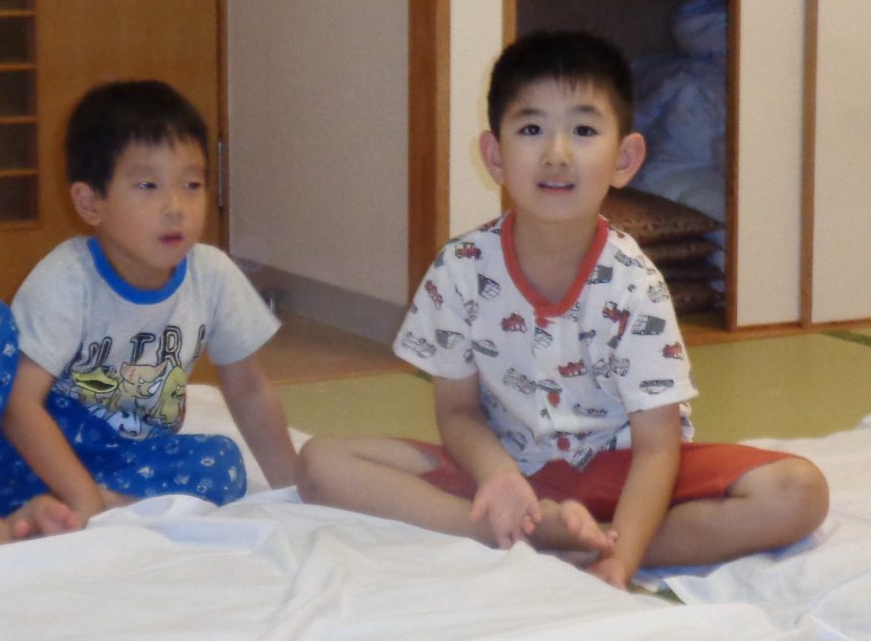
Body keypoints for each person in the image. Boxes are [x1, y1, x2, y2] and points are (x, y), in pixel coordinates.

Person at [296, 31, 828, 588]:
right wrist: (499, 478)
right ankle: (520, 530)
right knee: (320, 463)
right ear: (494, 156)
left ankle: (594, 537)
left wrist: (621, 559)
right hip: (507, 467)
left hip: (622, 474)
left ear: (625, 159)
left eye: (583, 131)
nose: (556, 154)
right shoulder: (460, 268)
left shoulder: (635, 283)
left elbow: (657, 447)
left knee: (797, 492)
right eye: (531, 130)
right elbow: (457, 411)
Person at [0, 80, 299, 550]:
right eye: (147, 186)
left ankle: (64, 513)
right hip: (24, 457)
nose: (176, 208)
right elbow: (20, 407)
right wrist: (79, 492)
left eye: (192, 185)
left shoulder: (212, 275)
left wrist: (293, 489)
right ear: (90, 203)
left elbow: (248, 389)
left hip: (123, 460)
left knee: (223, 463)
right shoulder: (68, 277)